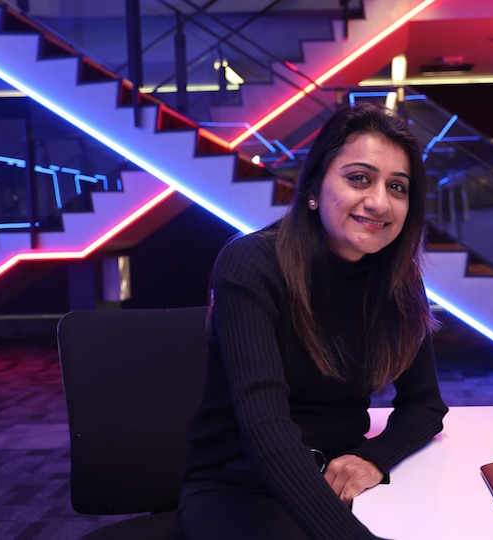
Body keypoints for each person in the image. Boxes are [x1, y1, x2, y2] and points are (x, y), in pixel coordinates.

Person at [178, 101, 449, 539]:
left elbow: (425, 405)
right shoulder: (252, 263)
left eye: (397, 187)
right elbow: (266, 429)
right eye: (359, 178)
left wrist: (375, 457)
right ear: (314, 187)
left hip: (339, 481)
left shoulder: (398, 279)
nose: (380, 202)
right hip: (243, 486)